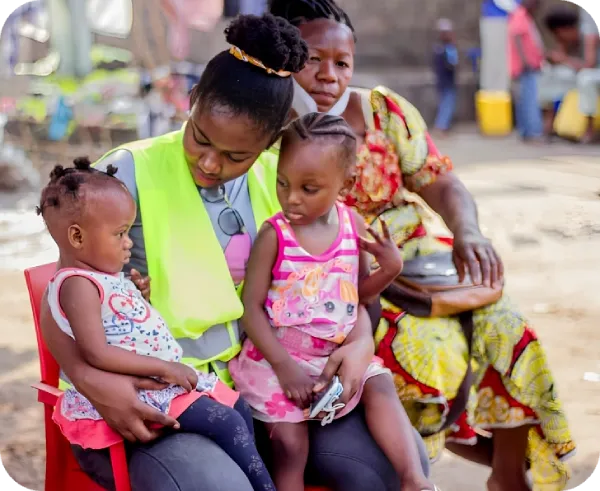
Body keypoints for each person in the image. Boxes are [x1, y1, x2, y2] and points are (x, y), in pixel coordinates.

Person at [38, 13, 430, 491]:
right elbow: (62, 292)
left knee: (389, 464)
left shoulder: (286, 184)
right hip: (157, 395)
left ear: (270, 142)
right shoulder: (126, 175)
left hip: (269, 387)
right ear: (192, 101)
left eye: (235, 156)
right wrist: (89, 379)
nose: (209, 162)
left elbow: (346, 282)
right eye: (200, 138)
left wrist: (359, 344)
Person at [269, 1, 575, 490]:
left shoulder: (382, 110)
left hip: (419, 262)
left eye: (342, 62)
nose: (329, 75)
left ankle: (507, 474)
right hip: (338, 281)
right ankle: (411, 467)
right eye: (313, 60)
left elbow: (440, 180)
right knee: (424, 348)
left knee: (508, 327)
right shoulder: (269, 123)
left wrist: (468, 231)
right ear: (285, 57)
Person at [36, 158, 275, 490]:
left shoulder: (100, 278)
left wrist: (136, 298)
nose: (128, 242)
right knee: (227, 422)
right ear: (77, 236)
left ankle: (253, 479)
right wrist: (164, 368)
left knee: (237, 408)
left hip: (153, 385)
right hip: (134, 394)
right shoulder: (76, 284)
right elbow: (97, 352)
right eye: (120, 233)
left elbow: (121, 329)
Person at [230, 113, 435, 491]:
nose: (291, 197)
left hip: (334, 356)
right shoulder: (275, 235)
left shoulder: (352, 225)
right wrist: (284, 367)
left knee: (380, 384)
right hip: (278, 360)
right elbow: (251, 309)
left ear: (347, 184)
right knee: (291, 446)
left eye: (309, 189)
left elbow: (358, 294)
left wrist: (390, 269)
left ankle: (414, 480)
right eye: (282, 182)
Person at [539, 6, 600, 143]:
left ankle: (589, 129)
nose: (558, 38)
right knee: (549, 73)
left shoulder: (588, 34)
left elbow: (588, 65)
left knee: (586, 79)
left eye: (559, 34)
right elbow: (563, 59)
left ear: (566, 29)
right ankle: (549, 125)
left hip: (592, 73)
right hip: (580, 75)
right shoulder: (566, 39)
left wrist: (563, 59)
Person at [507, 0, 544, 142]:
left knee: (524, 99)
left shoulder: (523, 16)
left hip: (528, 65)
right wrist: (524, 60)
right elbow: (516, 36)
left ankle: (526, 132)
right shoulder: (520, 15)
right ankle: (533, 132)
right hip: (525, 67)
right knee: (530, 100)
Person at [432, 19, 459, 136]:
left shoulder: (438, 48)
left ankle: (442, 126)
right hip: (447, 81)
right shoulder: (447, 49)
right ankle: (441, 126)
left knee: (445, 104)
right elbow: (452, 64)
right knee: (446, 105)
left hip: (442, 81)